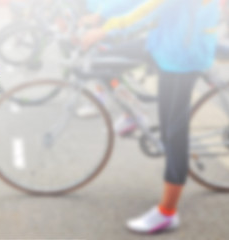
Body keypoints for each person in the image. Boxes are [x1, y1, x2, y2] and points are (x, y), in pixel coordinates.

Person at [80, 0, 220, 234]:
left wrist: (105, 28)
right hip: (164, 42)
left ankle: (167, 212)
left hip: (183, 56)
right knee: (104, 59)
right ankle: (132, 113)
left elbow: (151, 7)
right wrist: (101, 15)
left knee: (173, 135)